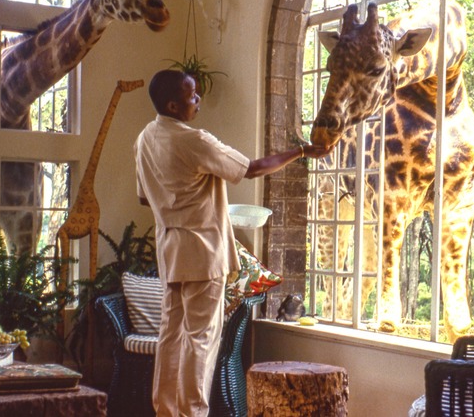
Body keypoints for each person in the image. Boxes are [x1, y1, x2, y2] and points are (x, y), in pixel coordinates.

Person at [134, 69, 331, 417]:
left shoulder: (145, 138)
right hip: (202, 253)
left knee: (170, 338)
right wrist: (299, 151)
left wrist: (177, 200)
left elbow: (144, 198)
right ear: (173, 104)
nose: (197, 100)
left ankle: (167, 411)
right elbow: (251, 168)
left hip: (170, 251)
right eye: (191, 95)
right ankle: (192, 413)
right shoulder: (193, 139)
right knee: (201, 340)